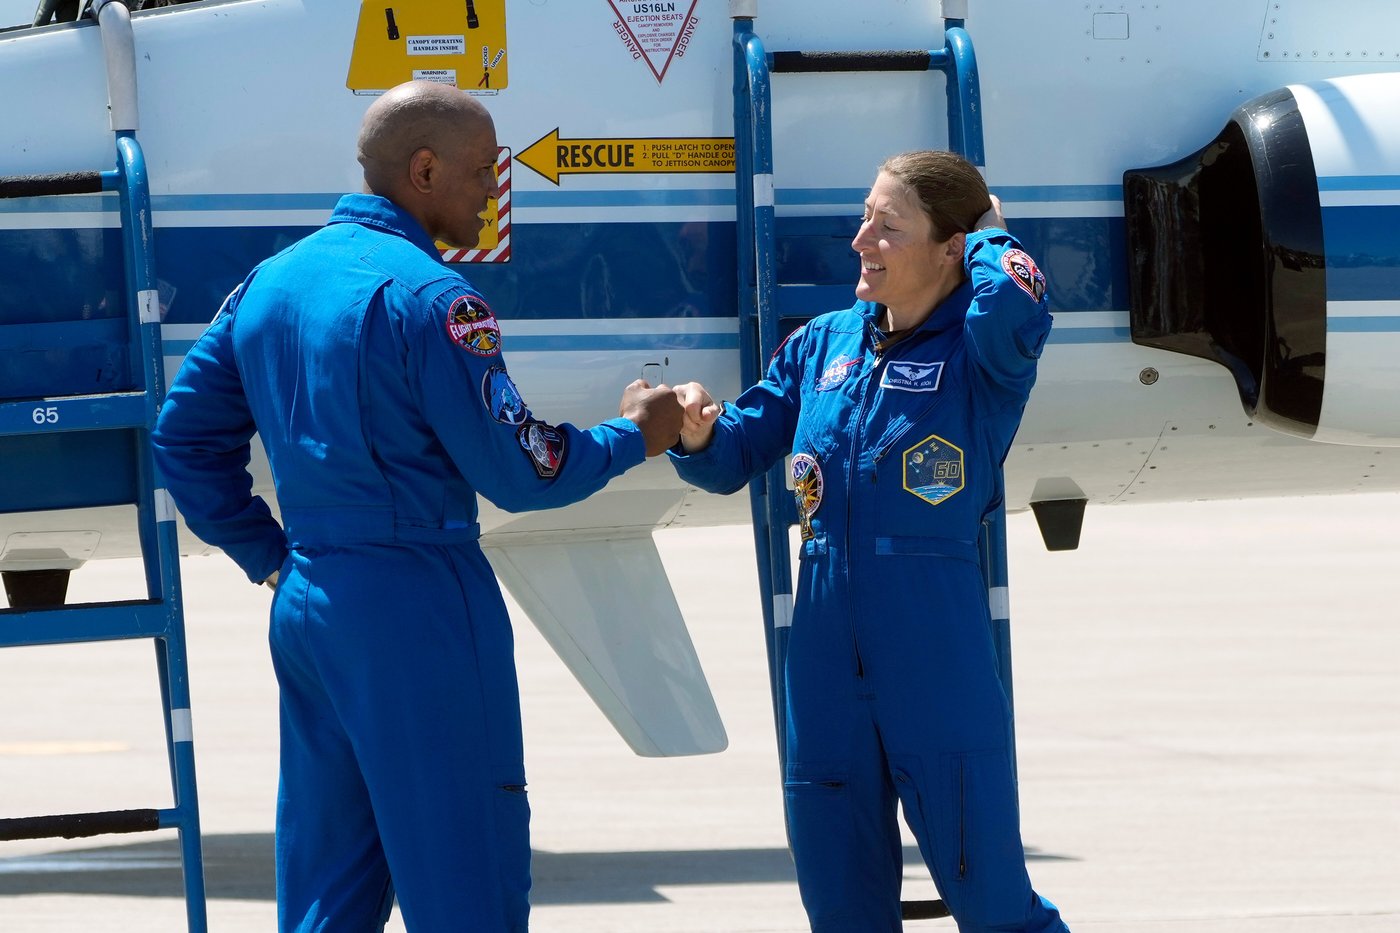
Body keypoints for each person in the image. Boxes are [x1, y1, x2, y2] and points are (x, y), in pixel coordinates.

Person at [151, 80, 683, 932]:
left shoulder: (268, 283)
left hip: (311, 603)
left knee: (330, 891)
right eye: (482, 170)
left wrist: (272, 557)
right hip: (420, 606)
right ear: (424, 169)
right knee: (467, 880)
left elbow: (181, 441)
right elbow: (522, 470)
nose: (494, 189)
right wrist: (636, 434)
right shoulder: (436, 301)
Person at [669, 150, 1068, 932]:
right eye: (863, 218)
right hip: (821, 669)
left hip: (936, 661)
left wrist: (984, 228)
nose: (861, 240)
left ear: (951, 247)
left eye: (889, 226)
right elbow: (737, 451)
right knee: (841, 909)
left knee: (994, 904)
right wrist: (695, 432)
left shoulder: (984, 354)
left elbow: (1018, 295)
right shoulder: (824, 345)